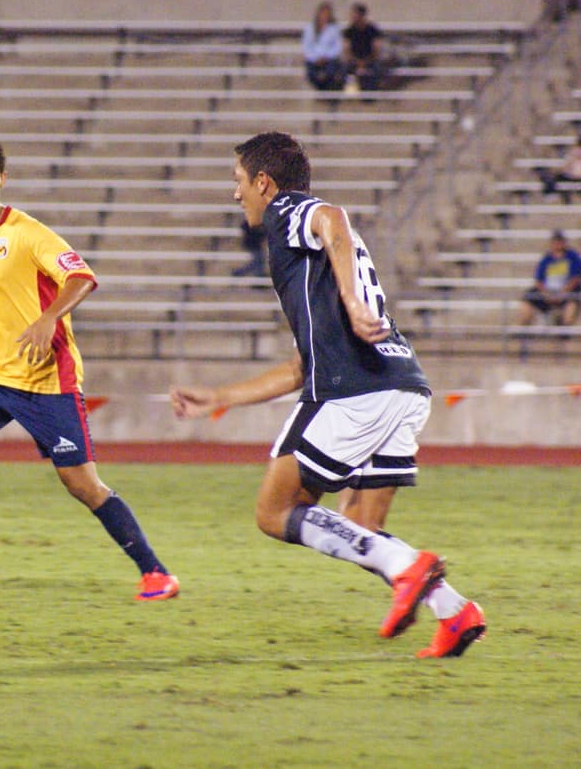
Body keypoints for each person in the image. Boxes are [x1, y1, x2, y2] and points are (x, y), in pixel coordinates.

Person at [171, 131, 485, 659]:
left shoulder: (286, 212)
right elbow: (301, 366)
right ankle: (455, 613)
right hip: (401, 382)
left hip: (352, 391)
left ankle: (409, 568)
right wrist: (220, 396)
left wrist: (351, 299)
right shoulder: (312, 254)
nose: (237, 195)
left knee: (275, 512)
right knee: (359, 528)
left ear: (264, 183)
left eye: (239, 183)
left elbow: (332, 217)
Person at [0, 135, 180, 602]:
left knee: (83, 485)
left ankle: (155, 572)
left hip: (46, 380)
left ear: (3, 179)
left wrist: (48, 317)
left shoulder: (28, 233)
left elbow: (81, 275)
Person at [518, 230, 581, 327]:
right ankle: (524, 325)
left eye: (560, 241)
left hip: (566, 291)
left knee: (573, 298)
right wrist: (546, 293)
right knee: (528, 297)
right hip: (548, 292)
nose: (558, 244)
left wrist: (563, 292)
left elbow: (577, 278)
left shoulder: (573, 257)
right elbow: (538, 280)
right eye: (556, 241)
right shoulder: (546, 259)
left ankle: (565, 326)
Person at [302, 0, 346, 91]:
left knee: (332, 71)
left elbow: (338, 46)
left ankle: (328, 93)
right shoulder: (310, 28)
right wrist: (315, 58)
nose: (325, 16)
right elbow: (306, 46)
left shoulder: (334, 29)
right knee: (311, 73)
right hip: (313, 60)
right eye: (323, 13)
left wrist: (326, 57)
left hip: (329, 60)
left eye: (327, 13)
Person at [343, 2, 385, 91]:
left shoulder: (373, 30)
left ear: (361, 15)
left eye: (354, 14)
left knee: (378, 70)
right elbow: (347, 50)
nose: (351, 17)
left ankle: (372, 95)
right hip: (354, 61)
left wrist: (365, 62)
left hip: (370, 61)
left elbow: (377, 49)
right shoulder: (349, 31)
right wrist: (357, 62)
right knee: (342, 71)